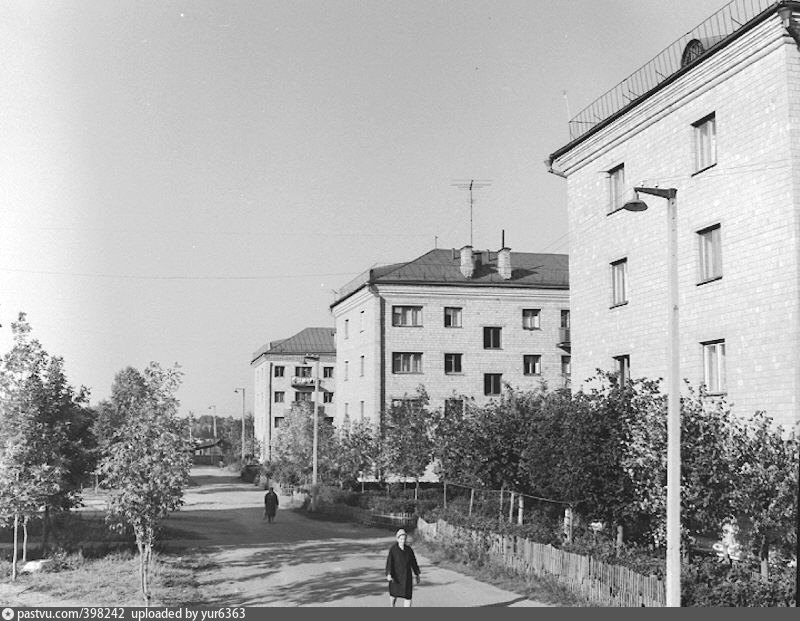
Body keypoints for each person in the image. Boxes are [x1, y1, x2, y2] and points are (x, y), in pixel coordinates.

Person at [385, 528, 421, 607]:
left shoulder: (409, 550)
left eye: (404, 539)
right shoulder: (393, 550)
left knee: (408, 596)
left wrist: (417, 574)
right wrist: (388, 574)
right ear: (397, 539)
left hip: (406, 577)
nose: (403, 541)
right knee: (393, 596)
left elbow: (414, 562)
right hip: (396, 577)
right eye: (401, 539)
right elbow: (389, 562)